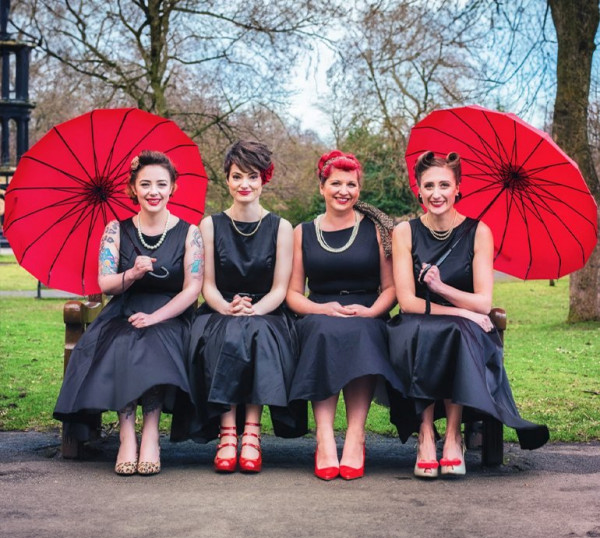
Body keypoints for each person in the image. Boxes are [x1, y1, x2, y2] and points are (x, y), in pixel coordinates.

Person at [388, 150, 549, 479]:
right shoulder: (404, 232)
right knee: (430, 331)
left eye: (444, 185)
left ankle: (452, 437)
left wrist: (442, 288)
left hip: (461, 327)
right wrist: (467, 313)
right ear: (417, 189)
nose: (437, 193)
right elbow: (406, 302)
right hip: (416, 323)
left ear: (458, 188)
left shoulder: (479, 232)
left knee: (456, 333)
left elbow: (483, 301)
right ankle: (426, 434)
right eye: (429, 185)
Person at [54, 150, 204, 476]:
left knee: (153, 340)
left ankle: (150, 433)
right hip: (124, 309)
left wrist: (157, 317)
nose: (154, 191)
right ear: (133, 188)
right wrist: (132, 274)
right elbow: (105, 282)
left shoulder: (189, 232)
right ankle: (126, 434)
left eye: (161, 184)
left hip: (171, 314)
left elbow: (193, 288)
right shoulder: (116, 230)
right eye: (145, 183)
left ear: (173, 188)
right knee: (124, 341)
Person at [186, 140, 306, 474]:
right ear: (227, 179)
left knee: (255, 332)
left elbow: (280, 287)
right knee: (227, 332)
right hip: (220, 308)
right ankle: (227, 432)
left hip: (268, 311)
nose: (244, 185)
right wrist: (226, 306)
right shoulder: (209, 225)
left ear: (263, 179)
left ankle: (251, 432)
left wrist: (255, 309)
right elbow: (206, 284)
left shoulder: (281, 228)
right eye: (237, 176)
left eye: (252, 177)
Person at [286, 150, 401, 481]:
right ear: (321, 186)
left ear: (359, 190)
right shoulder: (303, 232)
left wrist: (371, 311)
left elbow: (391, 288)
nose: (344, 190)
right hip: (318, 309)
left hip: (367, 308)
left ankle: (355, 436)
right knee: (322, 330)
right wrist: (321, 308)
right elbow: (293, 294)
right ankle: (323, 438)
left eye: (351, 184)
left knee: (362, 332)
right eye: (336, 182)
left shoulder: (377, 230)